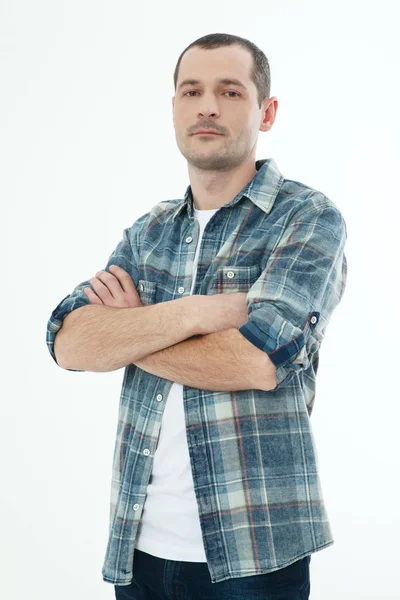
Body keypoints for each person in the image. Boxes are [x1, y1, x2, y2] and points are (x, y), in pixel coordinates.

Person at [46, 32, 348, 599]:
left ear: (268, 111)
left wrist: (132, 331)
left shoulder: (307, 219)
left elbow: (258, 361)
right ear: (176, 109)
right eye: (192, 91)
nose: (207, 105)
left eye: (230, 91)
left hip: (255, 555)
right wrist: (197, 313)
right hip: (138, 552)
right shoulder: (150, 231)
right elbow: (69, 341)